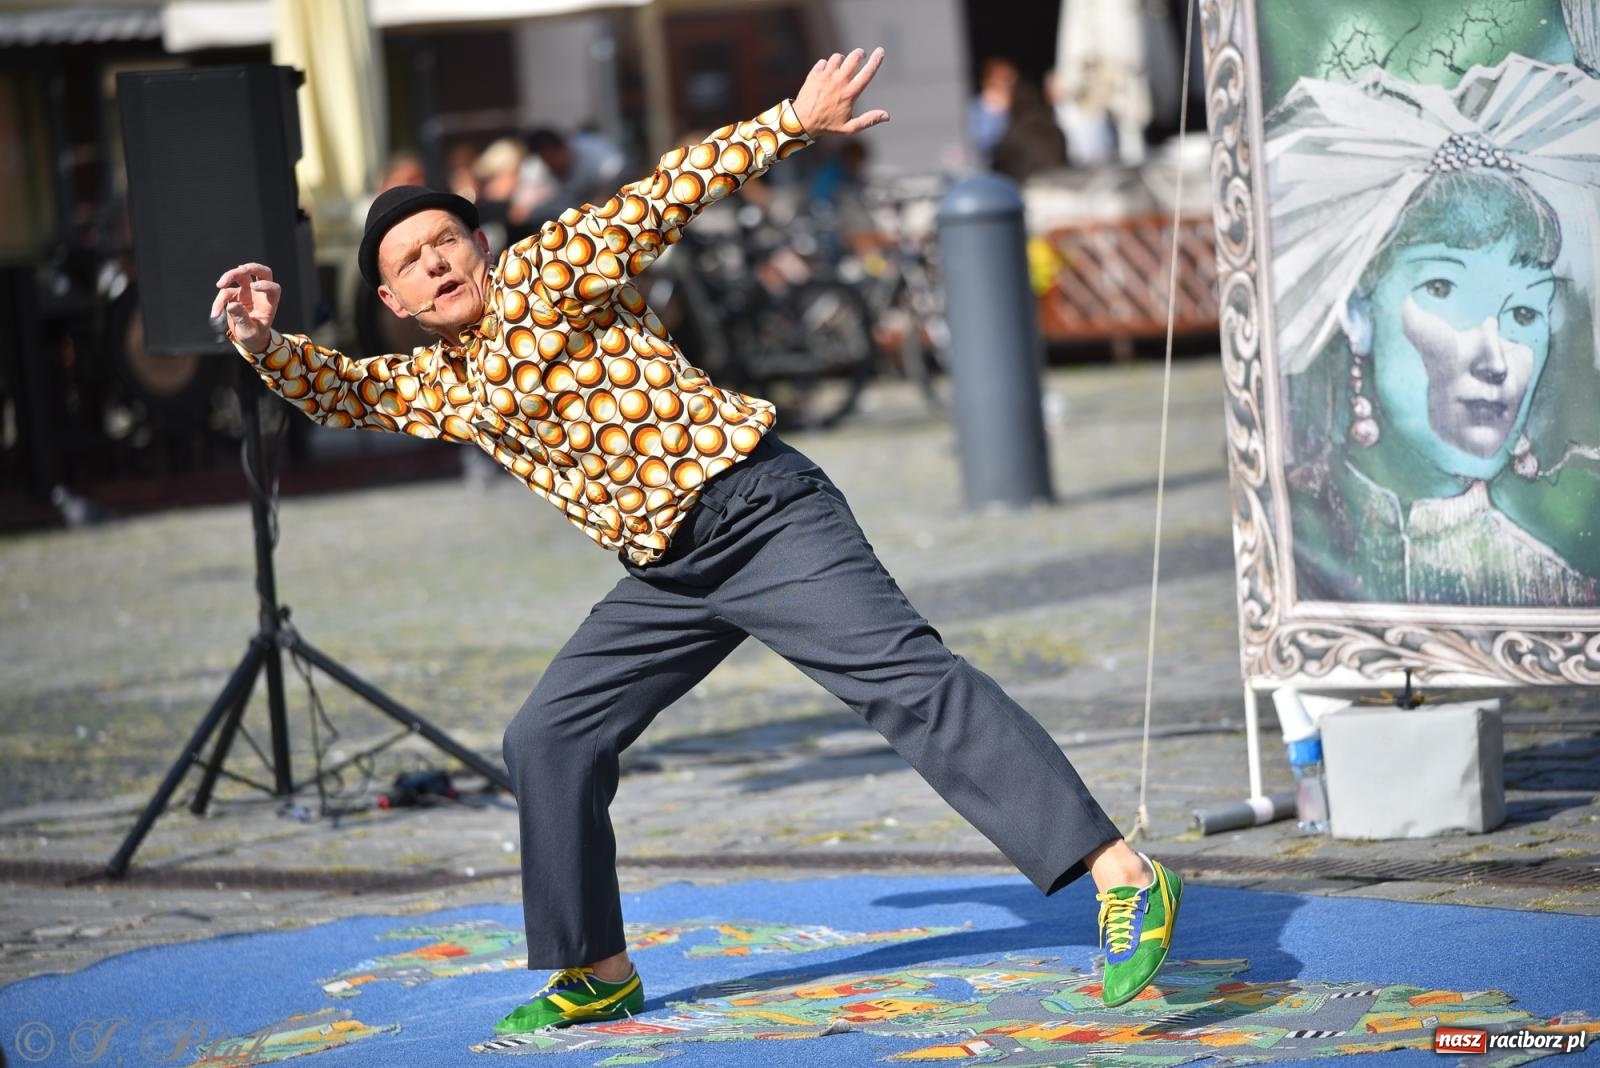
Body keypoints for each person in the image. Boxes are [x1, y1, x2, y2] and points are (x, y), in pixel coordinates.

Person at [210, 48, 1183, 1034]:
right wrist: (260, 344)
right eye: (411, 262)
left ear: (480, 245)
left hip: (759, 513)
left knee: (908, 683)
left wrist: (791, 122)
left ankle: (1123, 875)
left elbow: (660, 197)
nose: (434, 262)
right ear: (397, 304)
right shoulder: (442, 381)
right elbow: (345, 390)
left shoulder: (548, 272)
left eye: (445, 241)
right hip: (668, 574)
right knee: (547, 737)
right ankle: (596, 969)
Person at [1266, 54, 1600, 606]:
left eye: (1523, 315)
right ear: (1358, 314)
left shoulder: (1559, 593)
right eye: (1444, 290)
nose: (1494, 360)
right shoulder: (1285, 544)